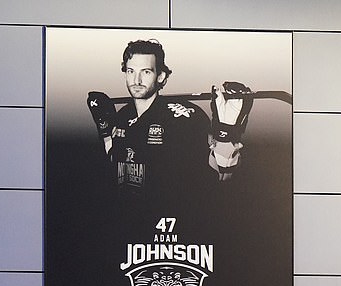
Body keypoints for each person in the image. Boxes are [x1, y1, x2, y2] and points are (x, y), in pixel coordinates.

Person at [87, 38, 253, 196]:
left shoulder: (185, 117)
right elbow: (116, 161)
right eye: (131, 71)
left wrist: (226, 133)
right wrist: (105, 131)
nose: (136, 80)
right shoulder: (123, 115)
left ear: (161, 76)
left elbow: (221, 177)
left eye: (145, 72)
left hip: (173, 221)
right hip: (129, 221)